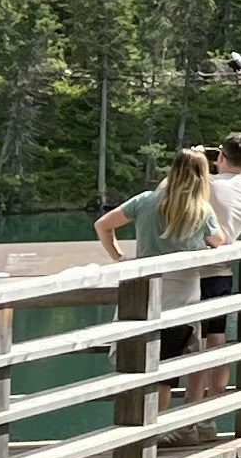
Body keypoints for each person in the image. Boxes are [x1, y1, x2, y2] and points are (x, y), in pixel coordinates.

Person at [97, 148, 228, 404]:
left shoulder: (145, 200)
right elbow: (219, 241)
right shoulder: (201, 211)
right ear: (202, 177)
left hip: (142, 294)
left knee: (136, 367)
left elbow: (102, 225)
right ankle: (156, 434)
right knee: (164, 375)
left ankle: (136, 433)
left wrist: (119, 257)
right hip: (180, 299)